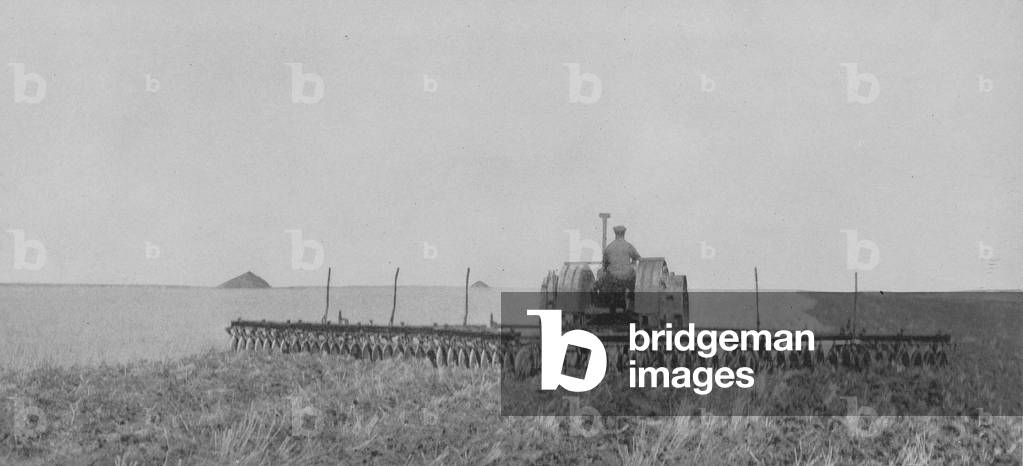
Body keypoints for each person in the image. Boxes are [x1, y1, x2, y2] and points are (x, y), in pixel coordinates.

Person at [599, 225, 640, 313]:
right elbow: (637, 257)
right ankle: (632, 301)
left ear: (615, 234)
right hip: (627, 276)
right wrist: (632, 262)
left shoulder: (609, 247)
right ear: (624, 234)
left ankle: (610, 305)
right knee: (636, 279)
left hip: (613, 277)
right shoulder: (628, 246)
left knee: (604, 277)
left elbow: (604, 263)